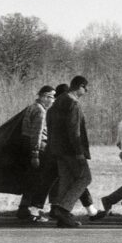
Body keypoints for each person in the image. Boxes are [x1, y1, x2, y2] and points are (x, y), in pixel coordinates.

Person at [46, 75, 91, 228]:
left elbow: (50, 123)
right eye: (85, 87)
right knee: (84, 178)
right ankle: (63, 209)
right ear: (79, 86)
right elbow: (74, 131)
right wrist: (79, 151)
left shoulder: (57, 102)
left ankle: (60, 217)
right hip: (71, 150)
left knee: (65, 180)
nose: (86, 90)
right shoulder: (73, 103)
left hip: (57, 149)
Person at [16, 85, 56, 222]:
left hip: (26, 146)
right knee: (39, 181)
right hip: (39, 148)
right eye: (51, 97)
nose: (53, 100)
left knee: (30, 180)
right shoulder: (41, 111)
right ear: (44, 96)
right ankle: (33, 212)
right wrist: (35, 154)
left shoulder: (31, 107)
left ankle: (23, 208)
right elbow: (37, 133)